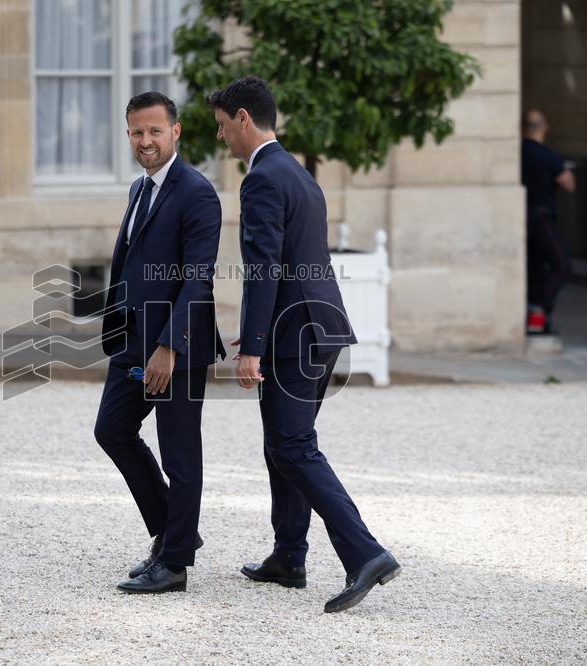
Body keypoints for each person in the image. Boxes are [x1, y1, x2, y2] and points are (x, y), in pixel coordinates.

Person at [207, 76, 399, 613]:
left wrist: (253, 348)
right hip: (322, 327)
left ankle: (365, 553)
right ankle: (288, 557)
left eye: (223, 127)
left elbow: (262, 268)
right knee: (283, 443)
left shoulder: (263, 178)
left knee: (293, 446)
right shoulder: (300, 174)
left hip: (296, 335)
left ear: (244, 118)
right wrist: (258, 332)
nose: (223, 139)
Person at [95, 92, 225, 594]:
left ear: (176, 132)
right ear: (128, 135)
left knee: (180, 455)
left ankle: (173, 566)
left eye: (155, 131)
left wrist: (169, 347)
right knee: (112, 430)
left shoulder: (197, 192)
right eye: (136, 132)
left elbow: (199, 279)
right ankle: (174, 532)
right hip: (132, 339)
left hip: (178, 346)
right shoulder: (138, 188)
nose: (145, 141)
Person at [521, 109, 575, 334]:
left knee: (535, 270)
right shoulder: (548, 155)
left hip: (520, 219)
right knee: (562, 264)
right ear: (545, 127)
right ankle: (541, 308)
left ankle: (536, 323)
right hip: (541, 218)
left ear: (521, 129)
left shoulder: (516, 152)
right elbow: (569, 184)